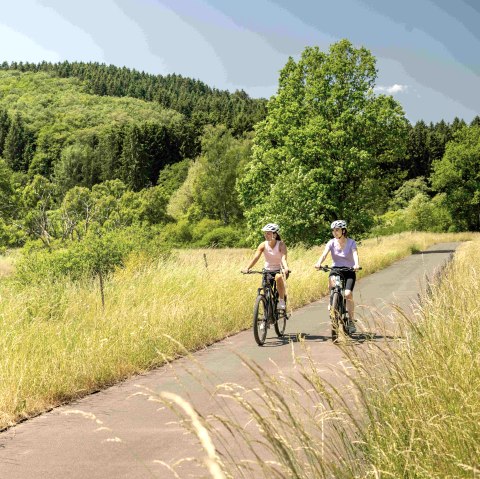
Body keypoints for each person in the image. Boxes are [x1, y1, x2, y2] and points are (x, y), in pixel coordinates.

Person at [314, 220, 360, 334]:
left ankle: (350, 320)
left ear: (343, 231)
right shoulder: (331, 242)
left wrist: (356, 264)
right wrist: (318, 262)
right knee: (332, 282)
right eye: (333, 230)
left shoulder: (351, 242)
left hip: (349, 271)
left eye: (337, 230)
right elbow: (324, 254)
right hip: (336, 270)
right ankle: (332, 300)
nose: (334, 232)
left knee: (348, 294)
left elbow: (355, 254)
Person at [242, 223, 290, 310]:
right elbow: (256, 257)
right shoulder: (263, 245)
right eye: (265, 233)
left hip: (280, 270)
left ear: (274, 234)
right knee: (266, 293)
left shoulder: (281, 245)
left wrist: (286, 268)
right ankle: (267, 315)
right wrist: (247, 268)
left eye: (268, 233)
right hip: (267, 271)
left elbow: (283, 259)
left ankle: (281, 300)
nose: (266, 235)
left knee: (278, 277)